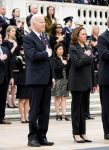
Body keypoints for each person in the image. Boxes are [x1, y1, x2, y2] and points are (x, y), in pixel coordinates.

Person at [23, 14, 54, 147]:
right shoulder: (28, 38)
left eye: (44, 22)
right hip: (35, 79)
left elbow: (49, 60)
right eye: (41, 22)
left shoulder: (45, 37)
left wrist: (51, 76)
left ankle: (42, 135)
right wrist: (47, 53)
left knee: (45, 110)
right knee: (34, 110)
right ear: (33, 23)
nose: (44, 24)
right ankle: (32, 137)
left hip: (46, 79)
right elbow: (33, 56)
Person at [69, 26, 96, 143]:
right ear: (77, 35)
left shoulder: (87, 47)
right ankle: (76, 133)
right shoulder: (72, 48)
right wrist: (86, 55)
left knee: (84, 110)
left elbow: (91, 67)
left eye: (86, 34)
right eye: (83, 34)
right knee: (76, 109)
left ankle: (83, 132)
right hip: (77, 82)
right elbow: (76, 64)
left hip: (86, 82)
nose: (85, 36)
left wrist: (94, 83)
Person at [51, 43, 70, 121]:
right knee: (57, 97)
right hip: (58, 79)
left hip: (65, 79)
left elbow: (68, 69)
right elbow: (55, 69)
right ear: (56, 51)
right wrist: (63, 64)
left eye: (62, 49)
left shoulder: (65, 58)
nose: (61, 51)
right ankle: (58, 114)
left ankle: (64, 114)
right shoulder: (54, 59)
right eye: (59, 49)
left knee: (64, 97)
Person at [2, 25, 19, 108]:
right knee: (9, 84)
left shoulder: (16, 40)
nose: (14, 32)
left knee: (15, 84)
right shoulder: (5, 42)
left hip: (15, 63)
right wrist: (14, 46)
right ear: (8, 32)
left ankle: (13, 101)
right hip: (9, 64)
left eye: (14, 31)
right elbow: (7, 54)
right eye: (12, 31)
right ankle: (8, 102)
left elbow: (18, 52)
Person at [0, 33, 13, 124]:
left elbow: (9, 65)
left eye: (1, 37)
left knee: (2, 98)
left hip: (5, 78)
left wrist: (11, 77)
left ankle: (1, 117)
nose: (0, 39)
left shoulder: (5, 49)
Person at [15, 49, 29, 123]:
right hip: (21, 81)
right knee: (21, 99)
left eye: (24, 50)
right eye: (22, 50)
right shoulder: (19, 58)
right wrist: (20, 58)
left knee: (27, 99)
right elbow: (17, 64)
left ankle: (26, 116)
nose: (23, 51)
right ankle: (22, 116)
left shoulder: (29, 57)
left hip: (29, 80)